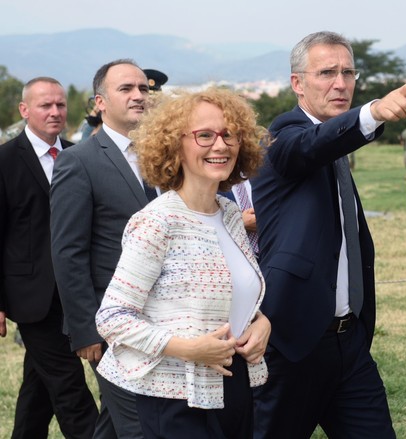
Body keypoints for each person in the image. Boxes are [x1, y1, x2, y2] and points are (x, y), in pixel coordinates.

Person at [251, 30, 406, 438]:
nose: (341, 84)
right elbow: (310, 148)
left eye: (348, 72)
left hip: (350, 344)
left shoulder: (336, 142)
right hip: (291, 343)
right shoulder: (286, 133)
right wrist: (374, 112)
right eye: (327, 73)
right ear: (297, 83)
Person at [95, 88, 271, 438]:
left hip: (234, 385)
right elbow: (112, 318)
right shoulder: (158, 222)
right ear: (174, 146)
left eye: (229, 134)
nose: (220, 145)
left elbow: (236, 294)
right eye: (204, 135)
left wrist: (261, 322)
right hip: (175, 395)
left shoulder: (231, 215)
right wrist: (191, 349)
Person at [50, 59, 151, 439]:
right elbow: (67, 252)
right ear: (100, 102)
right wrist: (86, 329)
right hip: (111, 324)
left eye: (143, 89)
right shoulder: (79, 162)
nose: (138, 96)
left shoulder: (165, 156)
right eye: (126, 89)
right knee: (138, 426)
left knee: (116, 421)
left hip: (161, 319)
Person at [0, 77, 98, 438]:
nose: (55, 112)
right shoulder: (5, 162)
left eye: (60, 104)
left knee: (38, 389)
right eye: (45, 105)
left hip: (78, 291)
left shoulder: (79, 156)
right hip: (31, 296)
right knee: (70, 386)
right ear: (25, 110)